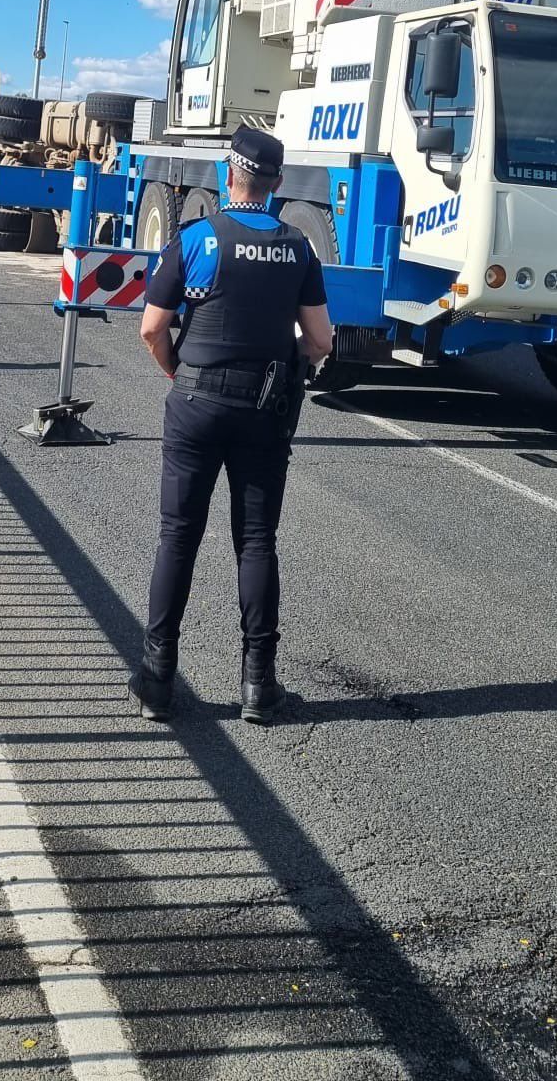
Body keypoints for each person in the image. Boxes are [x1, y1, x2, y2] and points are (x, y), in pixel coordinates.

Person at [130, 126, 333, 726]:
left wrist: (179, 373)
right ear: (274, 185)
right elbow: (320, 339)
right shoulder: (298, 247)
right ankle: (257, 684)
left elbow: (151, 328)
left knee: (179, 537)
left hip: (196, 403)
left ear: (229, 175)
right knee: (256, 540)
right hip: (264, 410)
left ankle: (156, 682)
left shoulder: (197, 238)